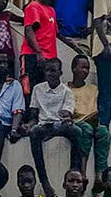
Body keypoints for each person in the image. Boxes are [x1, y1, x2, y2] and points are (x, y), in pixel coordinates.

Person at [28, 58, 79, 197]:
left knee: (77, 131)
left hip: (60, 125)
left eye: (53, 70)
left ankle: (74, 174)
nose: (50, 73)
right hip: (43, 126)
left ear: (60, 72)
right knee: (34, 132)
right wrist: (28, 125)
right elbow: (33, 115)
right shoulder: (38, 89)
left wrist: (66, 116)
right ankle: (44, 182)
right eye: (47, 70)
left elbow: (67, 113)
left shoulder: (67, 91)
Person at [67, 55, 111, 183]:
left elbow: (95, 110)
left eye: (88, 68)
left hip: (91, 121)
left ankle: (99, 176)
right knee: (85, 129)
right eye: (83, 68)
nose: (86, 71)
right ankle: (83, 172)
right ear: (74, 69)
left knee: (104, 132)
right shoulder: (65, 89)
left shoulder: (93, 89)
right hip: (75, 123)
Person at [23, 0, 61, 89]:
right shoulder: (33, 6)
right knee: (30, 88)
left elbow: (56, 33)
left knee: (47, 90)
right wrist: (39, 53)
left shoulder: (51, 10)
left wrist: (74, 46)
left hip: (50, 58)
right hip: (34, 56)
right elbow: (29, 30)